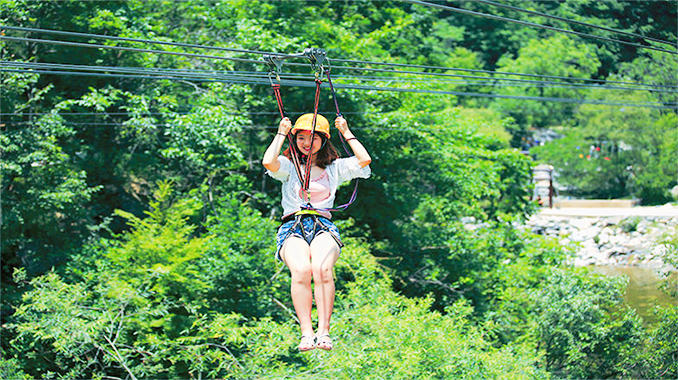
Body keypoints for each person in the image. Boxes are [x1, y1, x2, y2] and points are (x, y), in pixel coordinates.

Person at [262, 113, 372, 351]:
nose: (306, 143)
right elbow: (268, 162)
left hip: (323, 226)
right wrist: (282, 132)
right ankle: (306, 333)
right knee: (301, 270)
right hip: (293, 226)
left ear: (323, 140)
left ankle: (324, 332)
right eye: (300, 138)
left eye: (312, 138)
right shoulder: (289, 166)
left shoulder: (334, 168)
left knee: (322, 269)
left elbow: (364, 160)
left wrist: (345, 130)